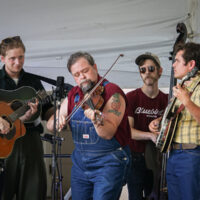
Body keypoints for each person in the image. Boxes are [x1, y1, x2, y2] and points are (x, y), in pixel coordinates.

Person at [47, 51, 131, 200]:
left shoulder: (112, 92)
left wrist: (95, 119)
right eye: (76, 74)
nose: (82, 77)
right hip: (80, 164)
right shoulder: (74, 94)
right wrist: (59, 117)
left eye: (85, 71)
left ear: (95, 68)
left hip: (108, 163)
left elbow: (108, 133)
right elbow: (49, 125)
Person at [0, 36, 53, 200]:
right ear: (2, 58)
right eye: (12, 58)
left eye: (21, 57)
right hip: (3, 144)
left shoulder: (34, 81)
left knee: (33, 192)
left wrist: (57, 114)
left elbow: (47, 109)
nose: (18, 62)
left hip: (31, 141)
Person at [149, 42, 200, 200]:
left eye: (177, 60)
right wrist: (160, 120)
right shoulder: (184, 86)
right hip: (175, 153)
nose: (173, 65)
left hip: (193, 154)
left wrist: (186, 101)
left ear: (191, 64)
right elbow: (178, 115)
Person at [126, 52, 168, 200]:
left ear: (160, 71)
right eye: (142, 70)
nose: (146, 73)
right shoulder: (131, 97)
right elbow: (128, 131)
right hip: (135, 158)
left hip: (157, 159)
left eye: (151, 68)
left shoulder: (167, 100)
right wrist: (150, 135)